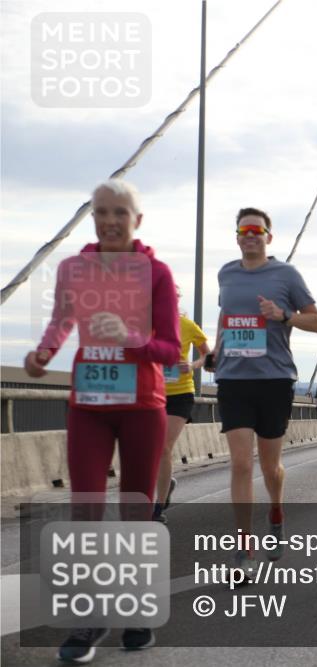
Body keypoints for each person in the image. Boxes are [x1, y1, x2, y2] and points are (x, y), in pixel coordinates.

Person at [24, 179, 180, 660]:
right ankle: (88, 620)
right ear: (92, 218)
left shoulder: (156, 272)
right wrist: (43, 353)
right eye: (101, 212)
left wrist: (132, 338)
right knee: (85, 510)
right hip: (89, 405)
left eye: (119, 212)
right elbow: (62, 321)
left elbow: (171, 350)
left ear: (137, 220)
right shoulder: (74, 268)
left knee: (136, 512)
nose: (110, 220)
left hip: (142, 406)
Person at [207, 207, 317, 575]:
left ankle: (276, 510)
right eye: (244, 229)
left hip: (274, 380)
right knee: (241, 464)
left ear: (268, 237)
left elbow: (316, 322)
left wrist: (284, 316)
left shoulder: (286, 275)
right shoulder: (226, 273)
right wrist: (216, 351)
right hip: (233, 380)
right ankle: (243, 548)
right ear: (237, 236)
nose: (250, 235)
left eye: (257, 229)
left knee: (271, 467)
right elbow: (226, 320)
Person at [154, 292, 211, 524]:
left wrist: (192, 364)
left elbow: (208, 356)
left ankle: (157, 508)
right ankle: (165, 486)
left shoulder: (187, 325)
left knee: (163, 446)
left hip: (180, 394)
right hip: (151, 393)